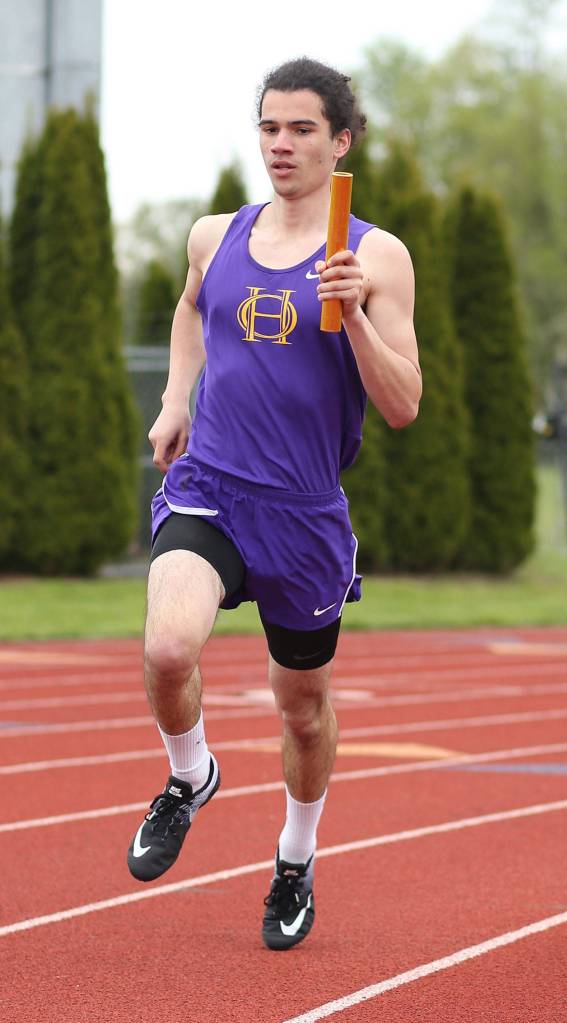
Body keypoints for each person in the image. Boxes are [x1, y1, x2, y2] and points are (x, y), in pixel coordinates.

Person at [127, 57, 421, 951]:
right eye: (268, 127)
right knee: (168, 647)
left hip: (302, 515)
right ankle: (190, 775)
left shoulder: (374, 255)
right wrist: (175, 398)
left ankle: (295, 858)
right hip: (211, 485)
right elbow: (190, 310)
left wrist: (355, 314)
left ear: (341, 141)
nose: (280, 144)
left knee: (301, 707)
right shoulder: (214, 235)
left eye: (301, 129)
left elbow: (404, 403)